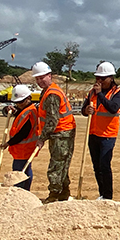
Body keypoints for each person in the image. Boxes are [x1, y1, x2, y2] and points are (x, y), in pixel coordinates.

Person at [32, 61, 76, 203]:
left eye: (42, 77)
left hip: (62, 133)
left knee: (56, 165)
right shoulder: (49, 91)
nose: (40, 81)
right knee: (61, 164)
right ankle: (63, 193)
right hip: (60, 132)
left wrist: (41, 138)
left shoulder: (52, 95)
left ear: (49, 76)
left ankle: (54, 194)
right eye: (37, 79)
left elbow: (52, 120)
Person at [81, 62, 120, 200]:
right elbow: (84, 109)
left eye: (102, 78)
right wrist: (85, 110)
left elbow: (113, 108)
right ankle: (102, 194)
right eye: (97, 78)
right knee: (97, 167)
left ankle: (108, 196)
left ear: (111, 78)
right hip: (93, 133)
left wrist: (100, 94)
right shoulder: (91, 92)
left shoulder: (118, 92)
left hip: (108, 135)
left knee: (105, 165)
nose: (99, 81)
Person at [0, 85, 39, 190]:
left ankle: (21, 191)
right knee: (24, 170)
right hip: (21, 148)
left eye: (21, 102)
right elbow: (20, 114)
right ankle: (24, 190)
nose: (19, 104)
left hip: (24, 147)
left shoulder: (30, 111)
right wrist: (13, 110)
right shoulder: (25, 109)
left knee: (19, 172)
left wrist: (9, 143)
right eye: (16, 102)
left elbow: (23, 133)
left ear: (28, 99)